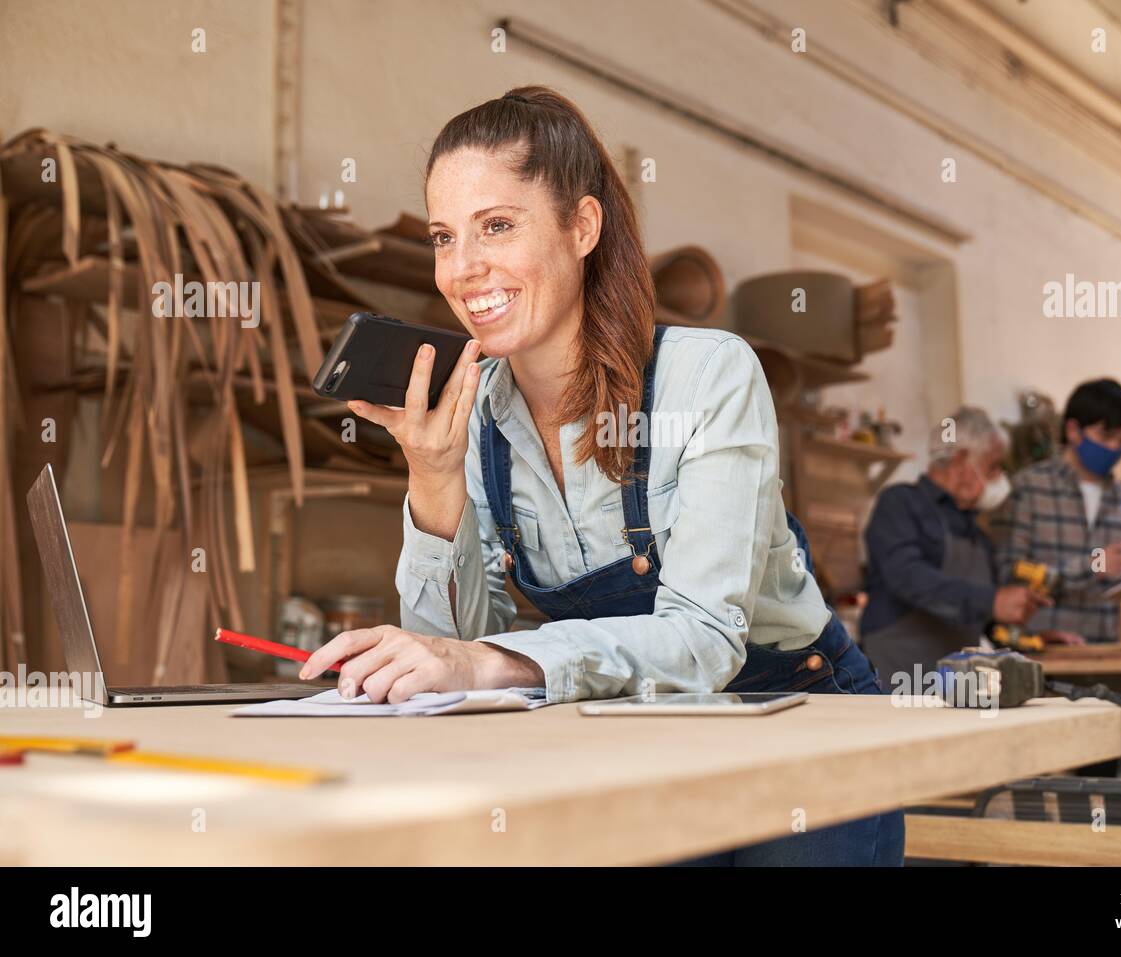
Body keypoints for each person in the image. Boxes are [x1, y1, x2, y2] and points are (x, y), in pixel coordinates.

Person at [300, 86, 903, 866]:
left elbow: (705, 640)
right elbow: (451, 658)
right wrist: (435, 474)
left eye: (498, 226)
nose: (463, 268)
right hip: (631, 740)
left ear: (582, 227)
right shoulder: (480, 411)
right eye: (445, 237)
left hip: (797, 730)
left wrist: (496, 659)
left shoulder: (708, 376)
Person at [992, 378, 1121, 646]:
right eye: (1105, 436)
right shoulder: (1027, 490)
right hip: (1035, 657)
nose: (1115, 448)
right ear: (1073, 430)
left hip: (1102, 662)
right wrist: (1093, 565)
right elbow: (1006, 575)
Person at [859, 407, 1050, 688]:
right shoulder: (900, 504)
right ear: (961, 461)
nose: (999, 478)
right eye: (994, 466)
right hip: (897, 680)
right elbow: (907, 576)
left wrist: (1028, 634)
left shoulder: (978, 534)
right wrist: (992, 601)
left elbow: (982, 620)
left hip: (956, 688)